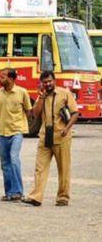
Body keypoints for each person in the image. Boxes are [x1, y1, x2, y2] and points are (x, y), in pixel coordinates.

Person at [23, 71, 79, 207]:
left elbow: (75, 113)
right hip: (44, 136)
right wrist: (41, 98)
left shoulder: (65, 94)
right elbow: (35, 114)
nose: (47, 84)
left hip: (62, 136)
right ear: (42, 83)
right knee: (40, 168)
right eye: (45, 82)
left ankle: (63, 197)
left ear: (54, 80)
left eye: (49, 81)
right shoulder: (41, 96)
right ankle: (36, 197)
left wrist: (67, 128)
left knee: (64, 168)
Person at [0, 68, 32, 202]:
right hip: (2, 133)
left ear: (11, 79)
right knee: (5, 164)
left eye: (2, 76)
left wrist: (24, 126)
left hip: (16, 131)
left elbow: (29, 111)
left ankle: (18, 192)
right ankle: (9, 192)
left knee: (14, 159)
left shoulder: (22, 92)